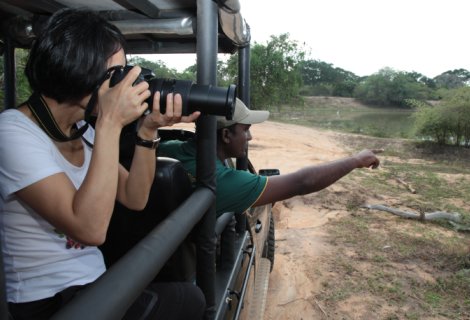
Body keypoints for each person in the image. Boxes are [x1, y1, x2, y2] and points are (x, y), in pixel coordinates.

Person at [0, 9, 205, 320]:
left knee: (187, 295)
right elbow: (90, 229)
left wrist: (148, 129)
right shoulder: (11, 132)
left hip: (93, 282)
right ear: (76, 70)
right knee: (188, 299)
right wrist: (110, 121)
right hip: (48, 301)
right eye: (116, 74)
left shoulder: (83, 130)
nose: (124, 84)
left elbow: (135, 198)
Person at [159, 98, 381, 216]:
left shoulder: (168, 148)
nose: (250, 137)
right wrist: (355, 161)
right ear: (226, 134)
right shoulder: (219, 180)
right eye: (245, 130)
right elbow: (301, 183)